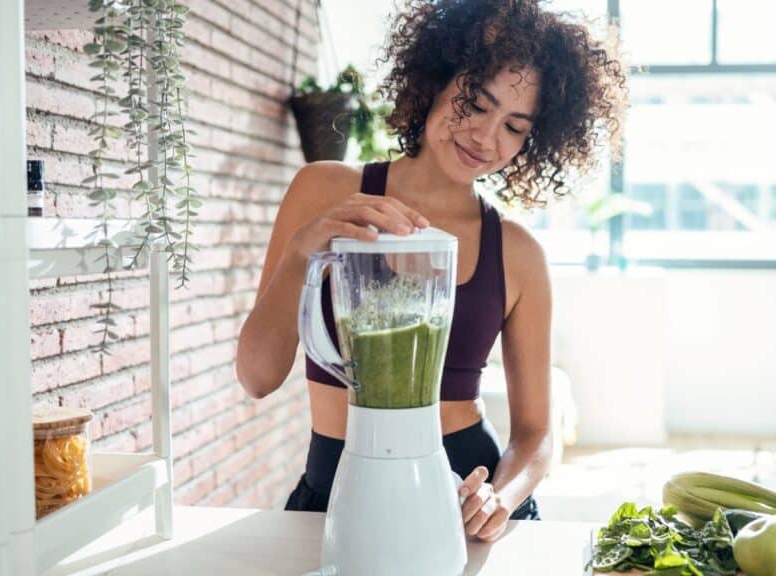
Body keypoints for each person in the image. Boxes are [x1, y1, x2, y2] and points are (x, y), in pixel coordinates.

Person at [236, 0, 625, 543]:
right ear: (436, 81)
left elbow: (537, 434)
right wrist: (307, 246)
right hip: (333, 494)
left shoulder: (517, 253)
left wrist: (502, 498)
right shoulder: (324, 191)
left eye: (514, 126)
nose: (486, 138)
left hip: (461, 501)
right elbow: (257, 378)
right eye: (476, 103)